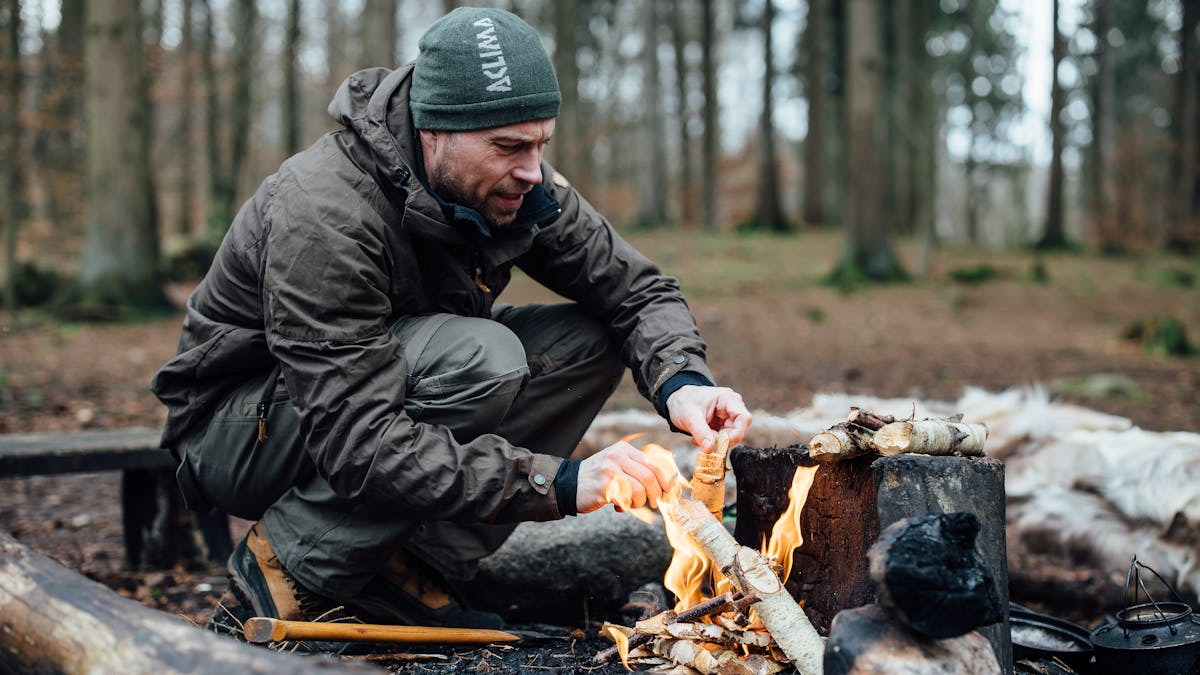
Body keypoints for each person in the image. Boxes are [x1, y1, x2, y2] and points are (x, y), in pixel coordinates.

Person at [151, 6, 751, 630]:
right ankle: (291, 570)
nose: (530, 169)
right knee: (481, 360)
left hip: (363, 400)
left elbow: (636, 291)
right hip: (238, 431)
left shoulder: (515, 187)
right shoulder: (325, 215)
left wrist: (684, 383)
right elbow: (361, 441)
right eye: (509, 147)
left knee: (589, 340)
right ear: (434, 129)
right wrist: (561, 484)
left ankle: (413, 567)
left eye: (541, 143)